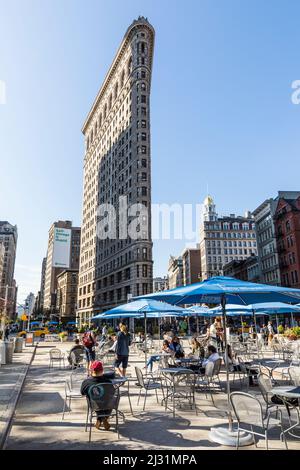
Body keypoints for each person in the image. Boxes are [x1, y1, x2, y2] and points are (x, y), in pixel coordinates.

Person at [81, 360, 114, 431]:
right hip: (107, 405)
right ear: (102, 370)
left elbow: (82, 393)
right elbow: (113, 392)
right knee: (110, 400)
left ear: (92, 371)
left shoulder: (86, 382)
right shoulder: (108, 381)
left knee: (95, 399)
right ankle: (104, 417)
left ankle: (101, 418)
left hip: (94, 405)